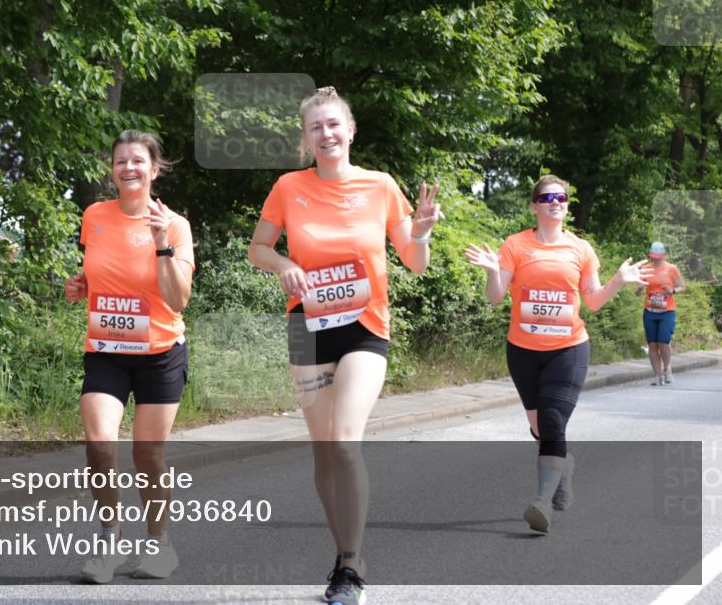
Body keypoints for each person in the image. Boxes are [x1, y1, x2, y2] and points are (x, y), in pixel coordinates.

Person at [248, 87, 441, 605]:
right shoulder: (289, 186)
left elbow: (414, 262)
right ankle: (343, 553)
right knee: (323, 451)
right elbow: (257, 248)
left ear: (350, 130)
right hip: (308, 329)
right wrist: (285, 264)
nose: (326, 134)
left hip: (364, 328)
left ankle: (350, 568)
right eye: (316, 128)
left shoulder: (380, 186)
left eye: (334, 125)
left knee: (344, 441)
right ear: (306, 139)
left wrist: (419, 233)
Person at [464, 175, 651, 534]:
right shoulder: (516, 245)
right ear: (534, 206)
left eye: (561, 197)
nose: (555, 202)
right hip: (522, 350)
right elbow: (496, 296)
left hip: (568, 348)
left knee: (552, 420)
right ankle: (563, 465)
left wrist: (617, 281)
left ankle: (542, 502)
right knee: (539, 428)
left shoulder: (580, 249)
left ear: (566, 205)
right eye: (547, 197)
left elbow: (593, 301)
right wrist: (492, 272)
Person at [63, 130, 194, 584]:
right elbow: (101, 269)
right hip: (106, 351)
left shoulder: (174, 224)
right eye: (121, 161)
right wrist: (83, 285)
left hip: (160, 353)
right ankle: (108, 541)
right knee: (99, 445)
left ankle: (160, 544)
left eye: (138, 161)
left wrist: (162, 244)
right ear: (113, 170)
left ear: (154, 169)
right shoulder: (95, 216)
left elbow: (178, 300)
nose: (129, 168)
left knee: (147, 456)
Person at [639, 242, 685, 386]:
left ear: (664, 255)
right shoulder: (646, 269)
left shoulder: (671, 269)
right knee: (652, 344)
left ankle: (667, 370)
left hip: (667, 312)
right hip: (650, 311)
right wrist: (640, 288)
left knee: (663, 343)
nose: (656, 259)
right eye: (654, 257)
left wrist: (672, 291)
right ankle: (657, 375)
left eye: (659, 257)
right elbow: (638, 291)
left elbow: (683, 287)